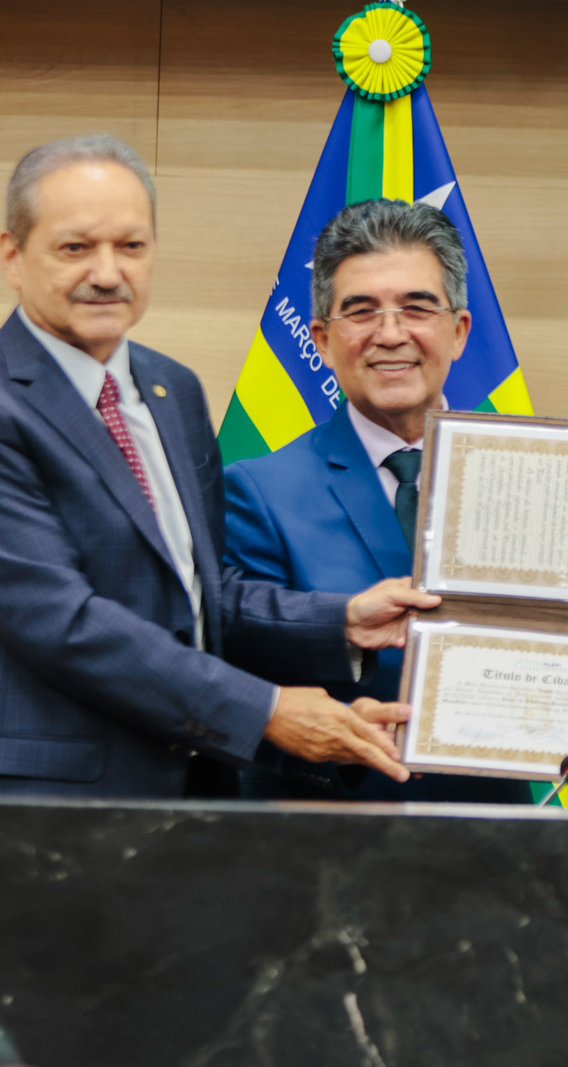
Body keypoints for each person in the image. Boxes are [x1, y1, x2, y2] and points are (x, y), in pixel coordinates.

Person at [0, 135, 435, 798]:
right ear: (13, 256)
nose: (107, 272)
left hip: (180, 794)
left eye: (131, 246)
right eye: (76, 248)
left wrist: (344, 622)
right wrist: (268, 711)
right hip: (34, 801)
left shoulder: (171, 391)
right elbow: (64, 623)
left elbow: (200, 596)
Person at [223, 199, 530, 803]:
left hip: (499, 829)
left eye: (417, 308)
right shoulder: (258, 489)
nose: (391, 335)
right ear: (322, 339)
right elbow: (233, 655)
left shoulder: (533, 483)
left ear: (459, 331)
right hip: (326, 823)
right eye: (361, 312)